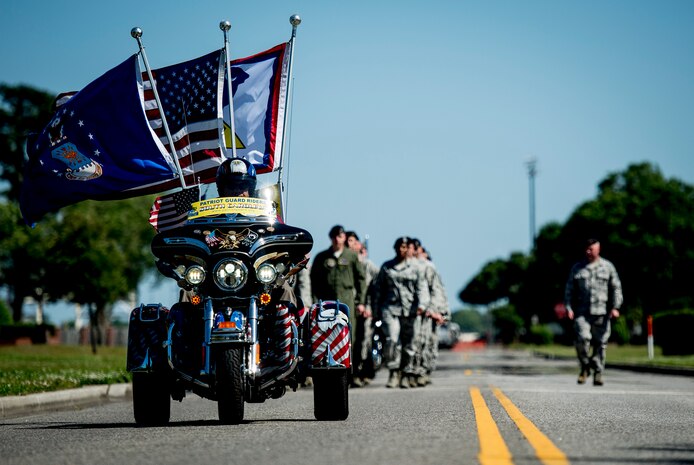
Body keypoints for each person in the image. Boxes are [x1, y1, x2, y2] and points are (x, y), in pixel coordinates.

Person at [310, 225, 367, 386]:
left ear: (344, 238)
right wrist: (315, 302)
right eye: (334, 236)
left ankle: (352, 375)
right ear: (331, 238)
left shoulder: (351, 256)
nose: (337, 239)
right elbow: (315, 281)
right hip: (327, 304)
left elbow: (361, 280)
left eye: (340, 236)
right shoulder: (322, 257)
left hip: (347, 301)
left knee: (350, 338)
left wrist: (361, 302)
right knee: (328, 336)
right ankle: (330, 374)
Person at [564, 238, 623, 386]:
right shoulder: (577, 268)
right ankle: (585, 366)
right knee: (582, 339)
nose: (588, 252)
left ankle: (598, 372)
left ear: (598, 250)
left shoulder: (607, 267)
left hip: (602, 313)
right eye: (586, 249)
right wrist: (568, 308)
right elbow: (569, 290)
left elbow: (616, 288)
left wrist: (615, 307)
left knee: (600, 344)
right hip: (582, 313)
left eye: (591, 249)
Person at [373, 236, 430, 389]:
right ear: (395, 248)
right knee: (392, 340)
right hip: (391, 309)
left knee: (410, 344)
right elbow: (378, 290)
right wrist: (375, 310)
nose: (401, 250)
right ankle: (393, 371)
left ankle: (406, 373)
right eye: (399, 247)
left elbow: (422, 287)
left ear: (408, 249)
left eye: (405, 247)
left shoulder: (416, 267)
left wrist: (422, 305)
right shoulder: (387, 267)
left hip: (410, 310)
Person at [412, 240, 448, 386]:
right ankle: (413, 372)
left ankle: (423, 371)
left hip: (428, 312)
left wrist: (436, 312)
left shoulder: (428, 267)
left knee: (426, 343)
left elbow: (437, 291)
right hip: (411, 311)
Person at [345, 231, 379, 386]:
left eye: (352, 241)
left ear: (358, 245)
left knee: (362, 342)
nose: (349, 244)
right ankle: (348, 374)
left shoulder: (366, 265)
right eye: (347, 241)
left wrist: (371, 307)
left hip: (364, 309)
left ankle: (360, 371)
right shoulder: (342, 262)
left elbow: (375, 288)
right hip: (347, 308)